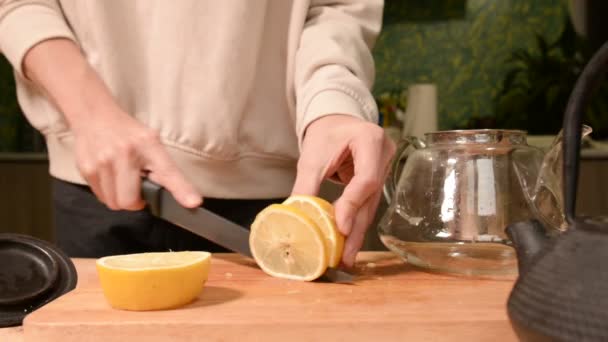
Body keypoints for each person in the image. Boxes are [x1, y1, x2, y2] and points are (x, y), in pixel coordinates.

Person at [0, 0, 395, 267]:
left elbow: (335, 10)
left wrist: (333, 102)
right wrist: (89, 112)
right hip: (100, 178)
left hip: (275, 201)